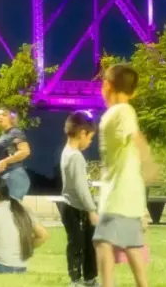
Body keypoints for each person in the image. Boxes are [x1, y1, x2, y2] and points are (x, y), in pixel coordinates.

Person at [94, 64, 158, 287]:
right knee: (131, 245)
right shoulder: (123, 112)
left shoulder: (121, 111)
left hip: (117, 195)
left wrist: (148, 161)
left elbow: (134, 135)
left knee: (103, 241)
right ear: (135, 91)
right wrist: (147, 164)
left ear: (107, 85)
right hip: (131, 195)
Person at [60, 110, 100, 287]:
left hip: (71, 207)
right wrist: (91, 210)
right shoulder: (75, 157)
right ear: (82, 133)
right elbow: (81, 187)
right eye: (90, 137)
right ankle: (78, 280)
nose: (90, 142)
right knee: (80, 245)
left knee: (84, 244)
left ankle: (88, 279)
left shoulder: (66, 151)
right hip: (78, 209)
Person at [0, 107, 32, 200]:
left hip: (14, 175)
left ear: (11, 118)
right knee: (6, 211)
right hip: (6, 176)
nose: (0, 117)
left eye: (4, 115)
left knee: (10, 210)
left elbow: (25, 151)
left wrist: (5, 161)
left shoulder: (15, 132)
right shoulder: (5, 134)